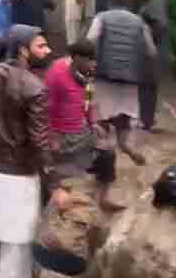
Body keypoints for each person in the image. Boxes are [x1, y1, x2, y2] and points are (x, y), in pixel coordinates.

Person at [0, 24, 59, 278]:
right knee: (15, 259)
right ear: (23, 50)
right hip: (19, 179)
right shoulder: (35, 88)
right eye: (41, 46)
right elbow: (40, 140)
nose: (48, 50)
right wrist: (53, 184)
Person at [43, 40, 127, 213]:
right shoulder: (56, 74)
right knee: (54, 177)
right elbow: (45, 109)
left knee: (107, 155)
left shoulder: (87, 74)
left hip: (80, 131)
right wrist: (50, 136)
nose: (94, 64)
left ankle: (103, 199)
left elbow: (88, 99)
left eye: (95, 60)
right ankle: (46, 216)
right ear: (77, 58)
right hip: (60, 135)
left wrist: (92, 122)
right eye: (90, 60)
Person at [86, 0, 157, 167]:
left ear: (110, 3)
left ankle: (103, 163)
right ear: (129, 5)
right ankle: (126, 147)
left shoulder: (102, 17)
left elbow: (90, 40)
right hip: (130, 81)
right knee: (123, 121)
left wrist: (89, 62)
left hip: (105, 78)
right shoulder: (140, 22)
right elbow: (151, 51)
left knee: (101, 123)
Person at [133, 0, 171, 131]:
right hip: (150, 50)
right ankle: (146, 119)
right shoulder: (152, 1)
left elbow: (160, 25)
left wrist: (148, 39)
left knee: (147, 86)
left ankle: (146, 121)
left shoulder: (157, 1)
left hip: (153, 51)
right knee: (145, 86)